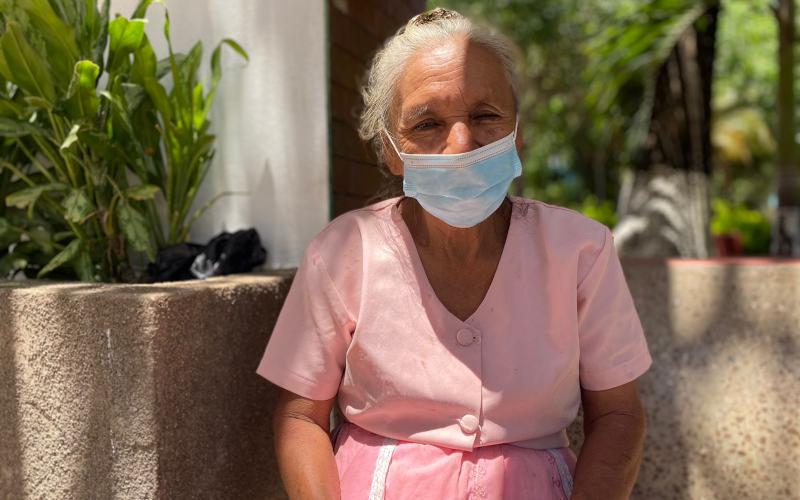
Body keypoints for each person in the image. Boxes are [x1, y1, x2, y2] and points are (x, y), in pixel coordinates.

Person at [256, 7, 652, 500]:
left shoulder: (580, 250)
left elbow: (618, 414)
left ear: (518, 133)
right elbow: (299, 416)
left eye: (485, 116)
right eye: (427, 124)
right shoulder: (342, 252)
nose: (461, 144)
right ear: (391, 151)